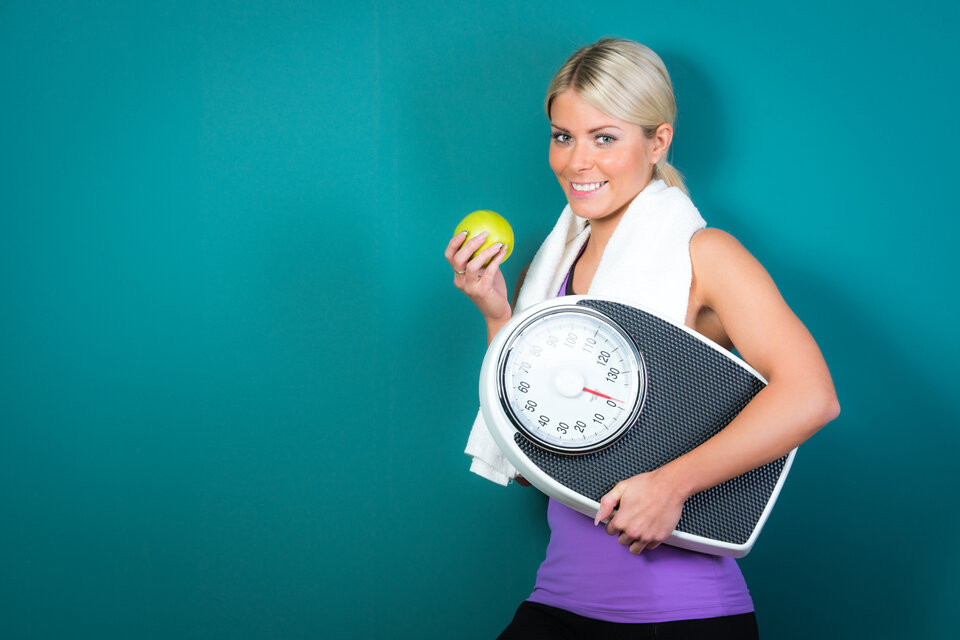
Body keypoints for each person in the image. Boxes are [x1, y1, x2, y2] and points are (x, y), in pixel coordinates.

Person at [444, 38, 840, 639]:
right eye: (563, 136)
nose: (578, 162)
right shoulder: (552, 275)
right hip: (560, 598)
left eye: (605, 137)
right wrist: (499, 316)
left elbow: (812, 395)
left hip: (681, 614)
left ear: (657, 142)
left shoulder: (705, 255)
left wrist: (670, 486)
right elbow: (539, 443)